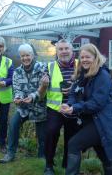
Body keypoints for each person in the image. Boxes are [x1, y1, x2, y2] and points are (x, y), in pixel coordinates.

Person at [60, 43, 112, 175]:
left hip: (103, 120)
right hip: (91, 120)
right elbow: (74, 93)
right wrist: (70, 104)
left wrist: (75, 108)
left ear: (96, 57)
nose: (84, 60)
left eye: (88, 57)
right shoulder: (82, 74)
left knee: (74, 144)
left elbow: (96, 103)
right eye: (82, 57)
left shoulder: (102, 76)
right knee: (103, 154)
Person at [0, 43, 49, 163]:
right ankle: (10, 153)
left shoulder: (43, 68)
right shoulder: (17, 72)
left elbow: (44, 88)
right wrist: (18, 97)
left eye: (27, 55)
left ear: (32, 55)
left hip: (39, 107)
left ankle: (42, 156)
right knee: (14, 123)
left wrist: (32, 97)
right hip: (24, 107)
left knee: (42, 134)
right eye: (22, 56)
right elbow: (17, 89)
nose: (25, 58)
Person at [44, 39, 81, 175]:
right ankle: (48, 165)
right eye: (61, 49)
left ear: (72, 51)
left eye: (67, 49)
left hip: (74, 108)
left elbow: (87, 86)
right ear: (57, 51)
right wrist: (42, 85)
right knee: (51, 133)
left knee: (72, 138)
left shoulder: (81, 65)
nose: (64, 51)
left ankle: (68, 165)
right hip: (55, 109)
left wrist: (74, 87)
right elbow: (42, 89)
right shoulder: (49, 66)